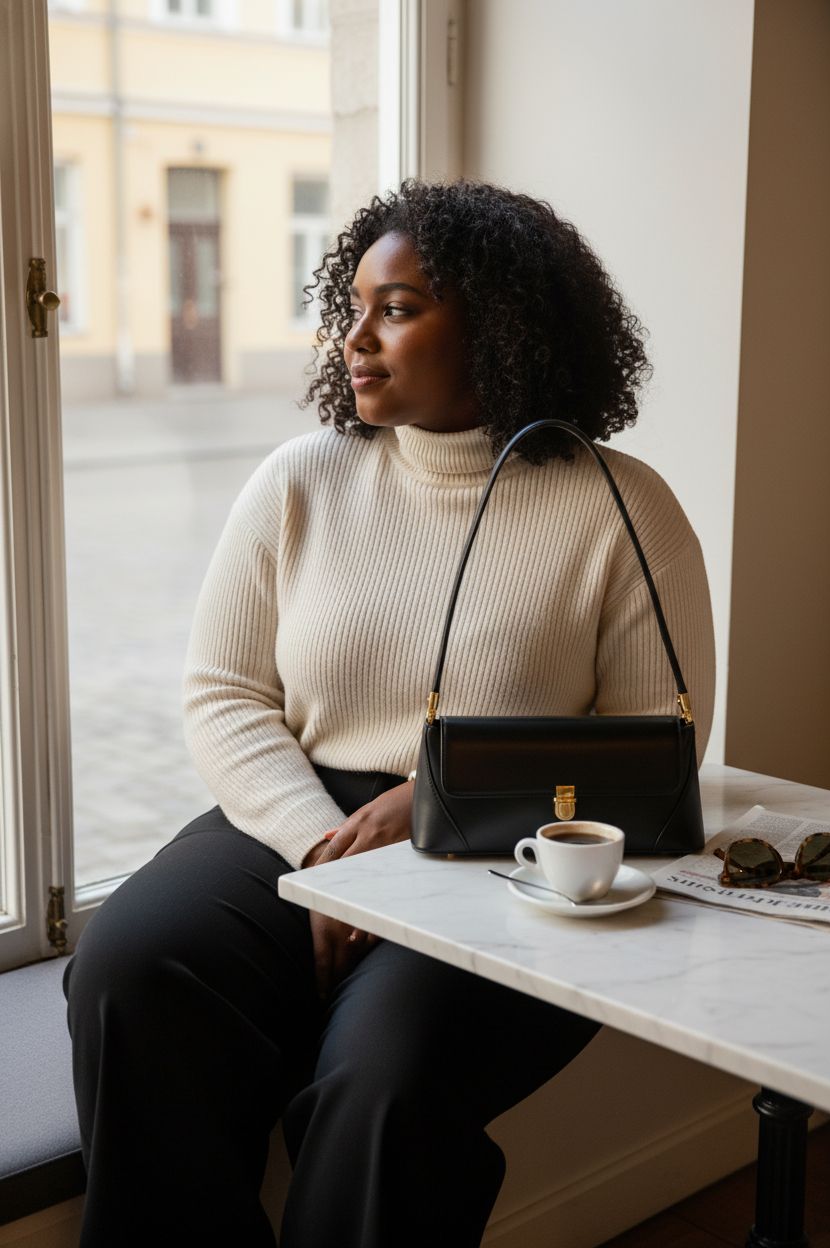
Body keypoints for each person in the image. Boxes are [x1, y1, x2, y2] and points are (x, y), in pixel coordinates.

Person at [63, 179, 715, 1247]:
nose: (355, 338)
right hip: (301, 812)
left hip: (506, 854)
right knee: (131, 969)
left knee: (385, 1083)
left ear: (500, 327)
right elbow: (224, 694)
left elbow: (659, 751)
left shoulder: (621, 507)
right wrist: (328, 851)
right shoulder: (300, 480)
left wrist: (435, 803)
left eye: (399, 309)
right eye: (354, 306)